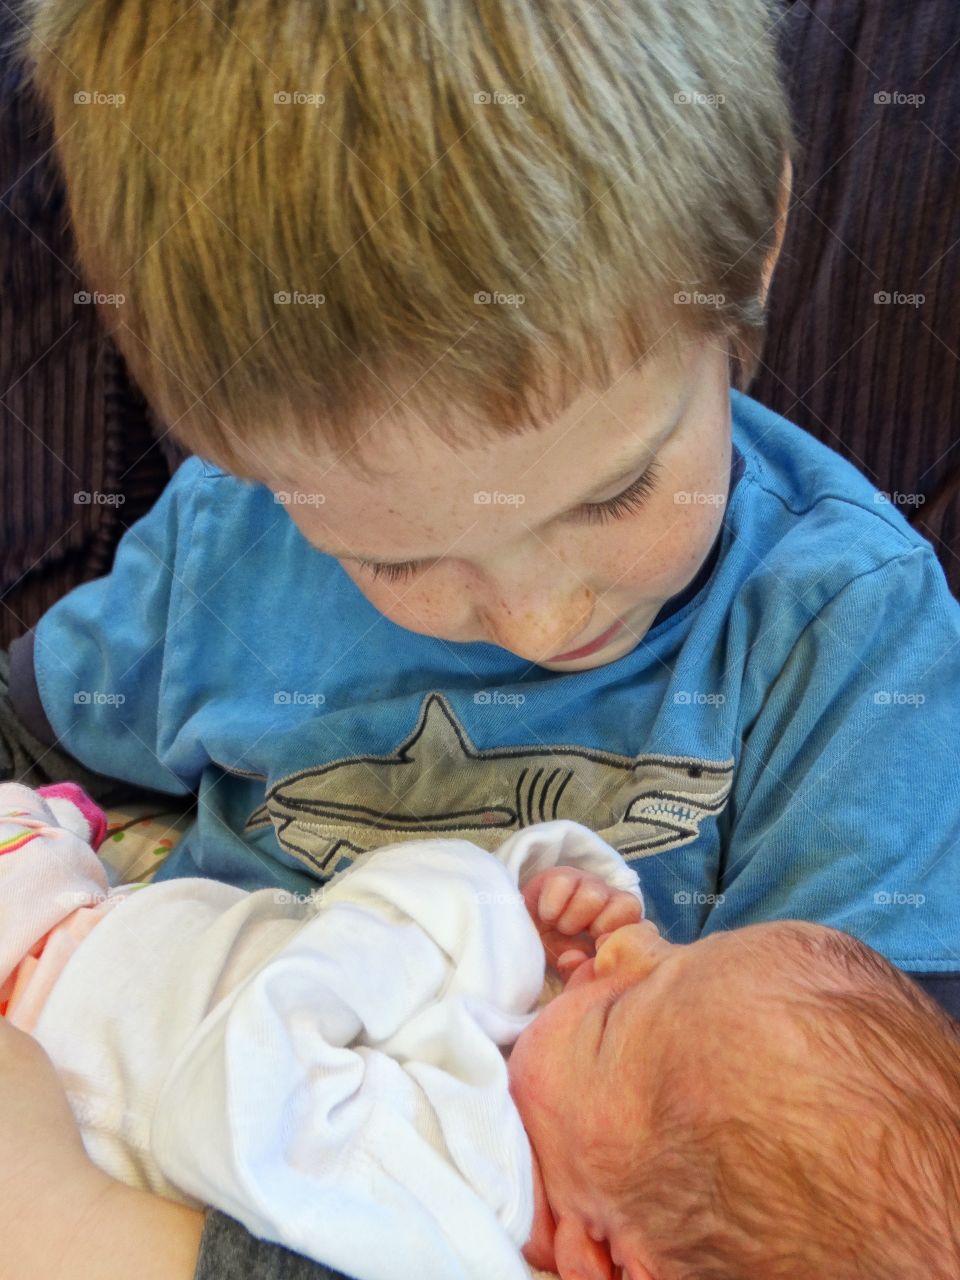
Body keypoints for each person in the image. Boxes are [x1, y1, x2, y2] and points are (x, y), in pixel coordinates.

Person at [2, 0, 960, 1277]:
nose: (539, 618)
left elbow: (848, 1218)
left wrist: (102, 1239)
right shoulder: (233, 543)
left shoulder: (843, 643)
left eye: (613, 493)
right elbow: (32, 732)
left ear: (755, 245)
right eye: (393, 555)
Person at [4, 781, 959, 1280]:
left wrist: (431, 916)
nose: (627, 953)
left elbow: (231, 1114)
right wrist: (540, 942)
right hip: (110, 935)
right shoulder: (557, 1141)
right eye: (675, 950)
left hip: (49, 992)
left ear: (600, 1257)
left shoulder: (464, 1194)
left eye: (619, 1014)